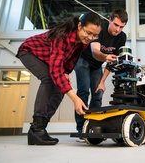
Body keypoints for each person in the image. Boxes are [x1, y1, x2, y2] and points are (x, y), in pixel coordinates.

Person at [16, 12, 102, 145]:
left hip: (48, 60)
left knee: (60, 88)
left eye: (95, 35)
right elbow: (55, 71)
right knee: (49, 79)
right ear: (80, 26)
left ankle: (40, 128)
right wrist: (75, 98)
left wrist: (66, 72)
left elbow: (72, 59)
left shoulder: (83, 43)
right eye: (88, 32)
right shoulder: (61, 36)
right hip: (30, 52)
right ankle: (36, 128)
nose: (90, 37)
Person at [74, 9, 128, 142]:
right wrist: (105, 56)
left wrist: (102, 81)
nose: (117, 29)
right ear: (109, 20)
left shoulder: (122, 37)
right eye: (115, 25)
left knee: (98, 93)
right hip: (83, 61)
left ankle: (94, 127)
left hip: (97, 66)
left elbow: (111, 62)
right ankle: (82, 129)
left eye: (121, 27)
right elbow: (95, 52)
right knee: (83, 91)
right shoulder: (99, 30)